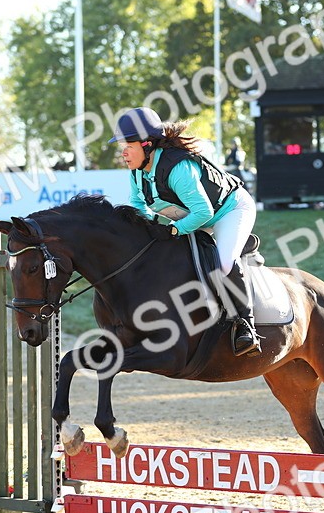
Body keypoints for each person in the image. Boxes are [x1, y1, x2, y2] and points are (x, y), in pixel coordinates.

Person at [109, 107, 261, 357]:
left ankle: (246, 324)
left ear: (147, 145)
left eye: (128, 145)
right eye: (122, 146)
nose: (123, 152)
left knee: (223, 262)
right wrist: (147, 228)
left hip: (229, 210)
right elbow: (138, 205)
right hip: (194, 216)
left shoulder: (178, 168)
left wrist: (172, 230)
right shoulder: (138, 172)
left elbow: (204, 214)